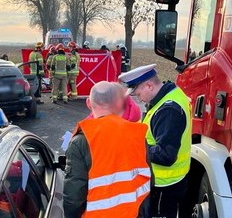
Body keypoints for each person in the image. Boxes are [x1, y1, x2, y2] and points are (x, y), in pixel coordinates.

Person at [63, 81, 151, 218]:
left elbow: (74, 195)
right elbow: (149, 180)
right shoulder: (137, 135)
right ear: (118, 104)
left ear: (88, 103)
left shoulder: (81, 141)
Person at [119, 64, 192, 218]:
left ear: (149, 85)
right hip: (167, 181)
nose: (139, 98)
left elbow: (166, 155)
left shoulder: (168, 110)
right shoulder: (169, 96)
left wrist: (133, 147)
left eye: (138, 94)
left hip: (164, 184)